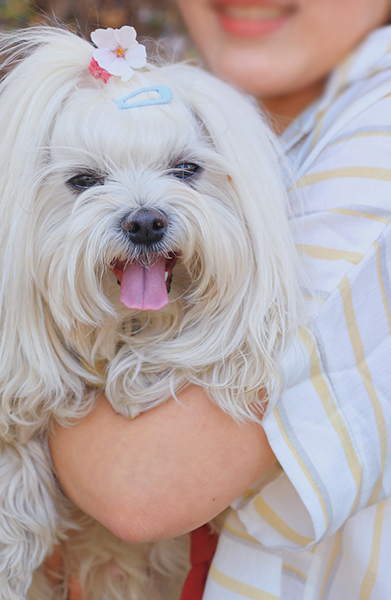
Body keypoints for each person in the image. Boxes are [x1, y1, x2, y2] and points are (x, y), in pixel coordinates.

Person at [49, 0, 391, 598]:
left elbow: (142, 486)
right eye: (84, 182)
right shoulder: (301, 119)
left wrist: (20, 339)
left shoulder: (378, 131)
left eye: (184, 170)